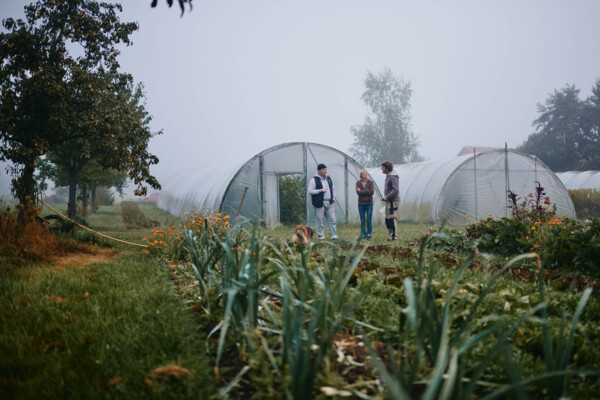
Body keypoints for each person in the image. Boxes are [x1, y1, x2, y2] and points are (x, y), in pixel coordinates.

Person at [308, 163, 337, 240]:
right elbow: (310, 191)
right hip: (319, 203)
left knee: (332, 220)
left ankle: (333, 235)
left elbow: (333, 189)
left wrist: (333, 198)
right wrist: (320, 191)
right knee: (319, 220)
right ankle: (321, 235)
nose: (325, 171)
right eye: (324, 170)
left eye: (326, 169)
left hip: (330, 203)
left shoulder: (329, 178)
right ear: (319, 171)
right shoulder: (314, 179)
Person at [381, 161, 399, 240]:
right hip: (388, 201)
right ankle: (391, 235)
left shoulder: (393, 177)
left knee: (392, 218)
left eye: (383, 167)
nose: (381, 169)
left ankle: (394, 236)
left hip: (393, 201)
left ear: (387, 168)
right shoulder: (388, 176)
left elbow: (395, 190)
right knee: (387, 219)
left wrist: (387, 197)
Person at [356, 170, 374, 239]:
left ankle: (369, 235)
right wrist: (367, 191)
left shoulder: (371, 183)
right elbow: (358, 193)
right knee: (362, 220)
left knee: (369, 221)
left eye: (367, 174)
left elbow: (371, 192)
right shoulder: (358, 183)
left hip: (369, 203)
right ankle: (363, 234)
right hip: (361, 204)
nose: (366, 175)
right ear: (361, 175)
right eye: (364, 174)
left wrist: (362, 191)